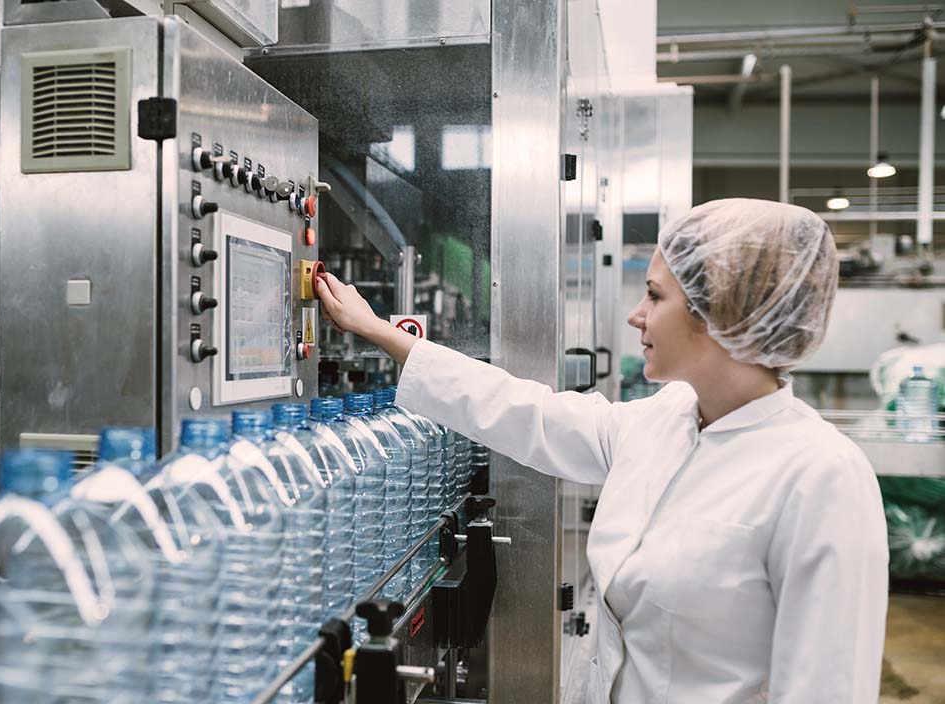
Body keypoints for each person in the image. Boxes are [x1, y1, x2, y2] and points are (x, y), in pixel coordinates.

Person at [315, 198, 889, 703]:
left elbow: (825, 687)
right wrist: (384, 334)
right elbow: (528, 413)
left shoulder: (821, 477)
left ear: (718, 317)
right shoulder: (666, 421)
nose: (636, 315)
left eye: (655, 296)